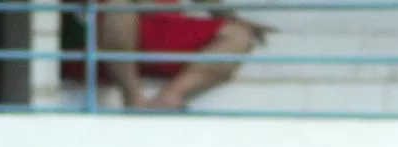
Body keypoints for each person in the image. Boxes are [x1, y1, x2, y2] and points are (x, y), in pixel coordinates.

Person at [95, 0, 272, 110]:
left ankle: (169, 98)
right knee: (118, 5)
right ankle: (133, 98)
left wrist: (233, 18)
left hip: (163, 31)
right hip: (101, 38)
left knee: (238, 35)